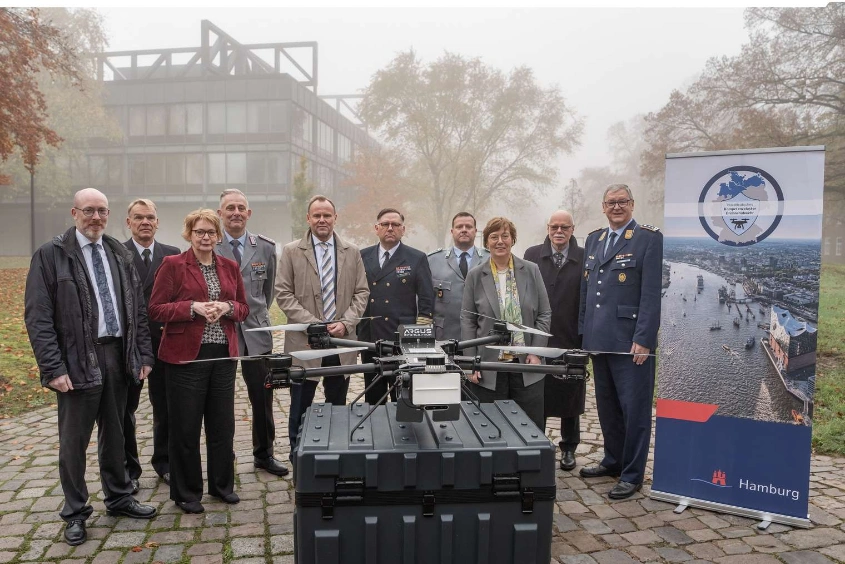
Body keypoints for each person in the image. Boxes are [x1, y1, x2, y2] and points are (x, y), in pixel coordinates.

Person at [24, 188, 157, 546]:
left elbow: (137, 312)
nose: (96, 217)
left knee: (116, 433)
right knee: (74, 442)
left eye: (102, 211)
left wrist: (143, 355)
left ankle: (118, 497)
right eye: (88, 211)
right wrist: (53, 368)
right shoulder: (51, 256)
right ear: (74, 213)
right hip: (76, 360)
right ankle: (76, 512)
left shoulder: (119, 252)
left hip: (118, 355)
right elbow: (38, 317)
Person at [148, 209, 249, 514]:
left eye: (210, 232)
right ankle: (187, 493)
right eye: (198, 232)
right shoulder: (173, 265)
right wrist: (192, 307)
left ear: (219, 236)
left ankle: (222, 487)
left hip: (223, 356)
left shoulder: (230, 266)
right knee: (185, 428)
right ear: (188, 234)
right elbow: (155, 309)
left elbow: (243, 308)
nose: (205, 237)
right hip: (185, 358)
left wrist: (226, 306)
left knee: (222, 427)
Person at [578, 184, 662, 500]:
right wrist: (583, 335)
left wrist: (644, 339)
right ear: (603, 206)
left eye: (622, 202)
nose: (617, 207)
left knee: (635, 409)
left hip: (630, 343)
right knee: (608, 407)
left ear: (632, 204)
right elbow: (587, 293)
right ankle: (613, 460)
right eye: (611, 202)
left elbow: (651, 295)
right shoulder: (594, 239)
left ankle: (632, 474)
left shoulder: (648, 240)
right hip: (599, 339)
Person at [275, 195, 369, 457]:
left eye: (327, 215)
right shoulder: (292, 251)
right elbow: (283, 293)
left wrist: (346, 322)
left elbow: (362, 292)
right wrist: (314, 324)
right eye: (316, 215)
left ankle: (335, 452)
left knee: (337, 404)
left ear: (335, 218)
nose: (322, 220)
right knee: (301, 404)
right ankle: (298, 454)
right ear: (308, 219)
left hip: (341, 341)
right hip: (306, 342)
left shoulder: (352, 252)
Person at [215, 189, 288, 477]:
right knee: (220, 400)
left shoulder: (266, 248)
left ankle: (264, 454)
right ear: (220, 213)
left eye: (241, 207)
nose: (236, 212)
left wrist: (253, 315)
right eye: (229, 208)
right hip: (221, 333)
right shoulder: (210, 243)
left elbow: (267, 293)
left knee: (262, 396)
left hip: (257, 332)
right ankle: (223, 456)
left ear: (249, 213)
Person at [460, 217, 551, 429]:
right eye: (494, 237)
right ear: (486, 242)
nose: (500, 241)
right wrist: (471, 362)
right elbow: (468, 320)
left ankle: (529, 463)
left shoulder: (531, 270)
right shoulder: (475, 276)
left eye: (505, 236)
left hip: (527, 363)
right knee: (490, 426)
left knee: (529, 426)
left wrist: (536, 351)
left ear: (513, 239)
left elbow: (544, 313)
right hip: (489, 365)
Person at [123, 198, 180, 490]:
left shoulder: (173, 255)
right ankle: (128, 470)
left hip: (163, 342)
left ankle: (166, 462)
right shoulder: (116, 254)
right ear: (128, 222)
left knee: (166, 407)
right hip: (129, 345)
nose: (145, 222)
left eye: (150, 217)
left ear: (157, 222)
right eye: (138, 217)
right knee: (125, 409)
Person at [523, 209, 586, 471]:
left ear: (573, 230)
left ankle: (569, 447)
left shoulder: (583, 257)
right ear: (547, 228)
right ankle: (538, 442)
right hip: (539, 335)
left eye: (565, 227)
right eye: (554, 227)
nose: (559, 232)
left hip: (571, 335)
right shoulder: (532, 254)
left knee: (571, 393)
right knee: (539, 392)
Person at [358, 208, 435, 405]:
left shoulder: (416, 258)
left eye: (395, 225)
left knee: (404, 397)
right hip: (371, 337)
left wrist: (420, 337)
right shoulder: (361, 256)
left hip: (403, 338)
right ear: (376, 228)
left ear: (403, 229)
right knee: (374, 396)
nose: (390, 228)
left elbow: (426, 300)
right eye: (385, 224)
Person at [427, 212, 487, 341]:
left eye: (468, 227)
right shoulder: (432, 261)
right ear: (452, 231)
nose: (464, 230)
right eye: (459, 227)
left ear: (475, 231)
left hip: (481, 338)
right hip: (443, 338)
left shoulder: (489, 260)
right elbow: (425, 302)